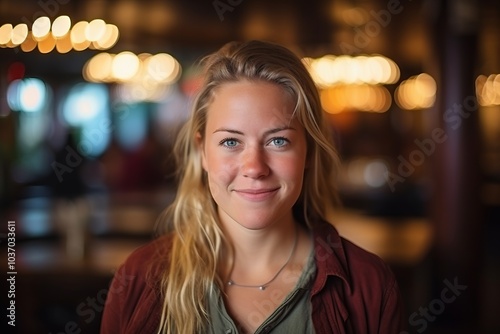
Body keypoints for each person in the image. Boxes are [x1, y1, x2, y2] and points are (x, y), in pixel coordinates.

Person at [101, 40, 406, 334]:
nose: (255, 168)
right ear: (202, 152)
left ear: (309, 152)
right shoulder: (137, 278)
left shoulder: (369, 284)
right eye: (231, 141)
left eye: (278, 141)